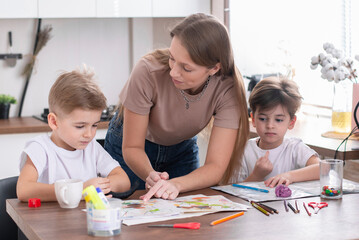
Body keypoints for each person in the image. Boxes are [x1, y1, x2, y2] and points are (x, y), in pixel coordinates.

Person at [104, 13, 249, 200]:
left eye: (186, 68)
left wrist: (176, 184)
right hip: (130, 147)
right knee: (119, 214)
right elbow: (132, 146)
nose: (173, 72)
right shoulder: (148, 70)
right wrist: (151, 175)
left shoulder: (228, 89)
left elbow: (215, 167)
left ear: (214, 68)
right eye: (172, 58)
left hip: (181, 149)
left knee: (184, 210)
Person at [17, 67, 131, 202]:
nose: (89, 134)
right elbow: (24, 190)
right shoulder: (40, 148)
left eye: (94, 125)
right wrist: (78, 190)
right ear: (54, 121)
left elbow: (124, 181)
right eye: (80, 126)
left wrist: (99, 186)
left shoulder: (92, 148)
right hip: (49, 221)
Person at [238, 76, 320, 187]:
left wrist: (289, 176)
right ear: (253, 119)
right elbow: (234, 191)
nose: (270, 126)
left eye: (279, 120)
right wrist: (256, 176)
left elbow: (323, 168)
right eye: (262, 119)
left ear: (291, 122)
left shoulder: (294, 148)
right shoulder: (243, 150)